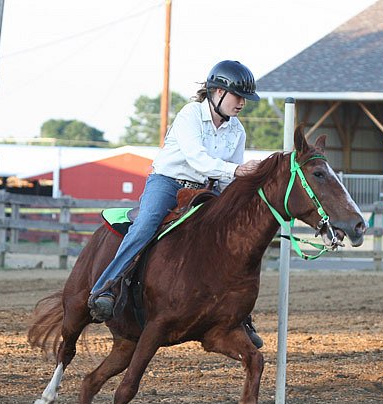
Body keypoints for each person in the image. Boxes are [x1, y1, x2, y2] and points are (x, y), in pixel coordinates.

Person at [87, 60, 264, 345]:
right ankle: (105, 288)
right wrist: (237, 171)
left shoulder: (237, 130)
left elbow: (227, 177)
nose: (242, 103)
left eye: (245, 98)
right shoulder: (190, 115)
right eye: (238, 96)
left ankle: (238, 314)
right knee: (145, 225)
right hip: (167, 182)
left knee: (233, 237)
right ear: (217, 92)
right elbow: (198, 159)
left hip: (204, 188)